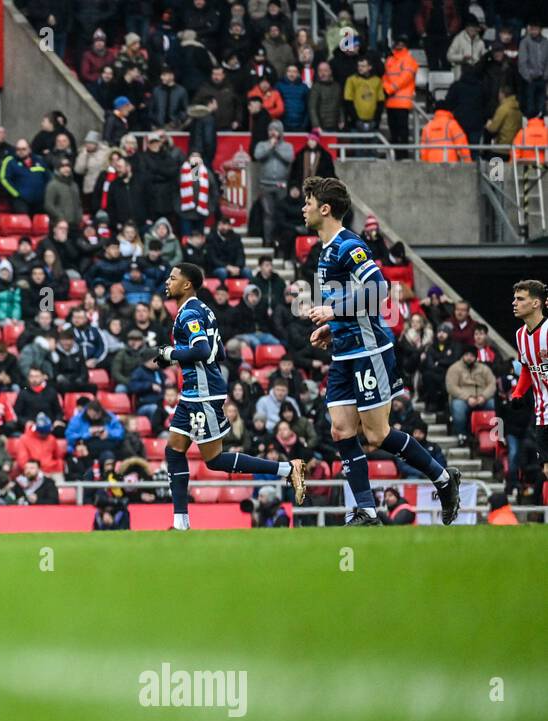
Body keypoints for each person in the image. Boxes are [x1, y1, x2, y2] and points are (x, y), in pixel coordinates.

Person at [303, 176, 459, 525]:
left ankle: (444, 479)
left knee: (375, 435)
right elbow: (352, 303)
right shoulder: (326, 251)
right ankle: (366, 510)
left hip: (369, 349)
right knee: (340, 431)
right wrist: (333, 326)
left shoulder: (349, 245)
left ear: (325, 208)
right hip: (344, 349)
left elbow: (378, 289)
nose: (304, 208)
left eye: (308, 202)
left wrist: (333, 312)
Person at [155, 263, 307, 531]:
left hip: (202, 394)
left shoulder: (189, 313)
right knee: (174, 450)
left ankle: (287, 469)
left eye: (173, 277)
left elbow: (202, 350)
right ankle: (180, 523)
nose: (167, 281)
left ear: (187, 284)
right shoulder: (204, 309)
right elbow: (221, 352)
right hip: (194, 392)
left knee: (214, 460)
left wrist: (171, 355)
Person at [508, 280, 548, 482]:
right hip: (543, 416)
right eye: (514, 298)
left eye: (520, 299)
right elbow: (527, 367)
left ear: (535, 303)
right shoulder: (520, 335)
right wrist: (518, 392)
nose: (514, 303)